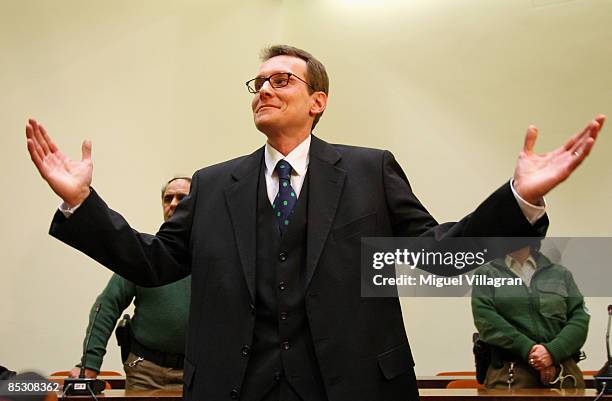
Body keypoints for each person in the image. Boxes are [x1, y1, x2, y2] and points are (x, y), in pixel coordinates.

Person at [25, 45, 604, 401]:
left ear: (319, 100)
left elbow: (435, 256)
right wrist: (83, 203)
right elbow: (153, 263)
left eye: (282, 80)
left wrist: (518, 201)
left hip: (352, 386)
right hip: (235, 387)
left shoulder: (369, 171)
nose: (265, 89)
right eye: (259, 83)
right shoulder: (211, 184)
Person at [68, 177, 192, 390]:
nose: (173, 204)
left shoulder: (215, 258)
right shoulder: (147, 256)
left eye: (182, 198)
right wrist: (90, 364)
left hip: (200, 373)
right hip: (146, 372)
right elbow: (106, 307)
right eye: (167, 198)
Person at [471, 244, 589, 389]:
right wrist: (530, 351)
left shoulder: (560, 274)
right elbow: (486, 319)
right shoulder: (487, 274)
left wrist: (552, 352)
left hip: (563, 373)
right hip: (510, 372)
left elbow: (579, 318)